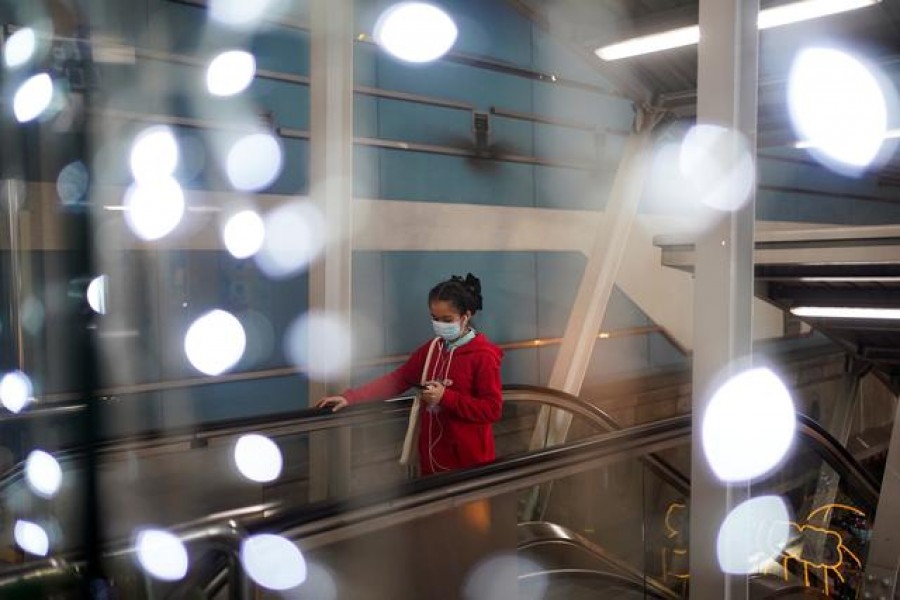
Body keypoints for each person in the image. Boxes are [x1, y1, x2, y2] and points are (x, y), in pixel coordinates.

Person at [316, 273, 503, 475]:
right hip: (432, 462)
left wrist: (446, 397)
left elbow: (492, 409)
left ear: (466, 316)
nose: (440, 325)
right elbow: (398, 380)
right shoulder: (432, 349)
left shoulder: (483, 356)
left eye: (447, 319)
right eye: (435, 319)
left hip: (470, 465)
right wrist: (350, 397)